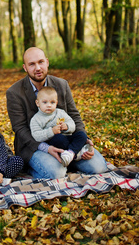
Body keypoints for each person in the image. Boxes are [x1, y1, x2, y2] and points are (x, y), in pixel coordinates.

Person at [6, 47, 108, 179]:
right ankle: (36, 167)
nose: (37, 68)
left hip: (66, 140)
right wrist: (46, 148)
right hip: (35, 146)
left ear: (47, 62)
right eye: (32, 64)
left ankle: (68, 158)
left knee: (99, 167)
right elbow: (20, 128)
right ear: (25, 68)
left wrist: (83, 140)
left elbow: (74, 115)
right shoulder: (14, 92)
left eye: (41, 62)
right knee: (56, 173)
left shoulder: (62, 84)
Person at [31, 86, 92, 167]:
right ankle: (75, 154)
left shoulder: (60, 113)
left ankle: (71, 153)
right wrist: (51, 131)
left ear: (56, 103)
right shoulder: (36, 119)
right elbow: (36, 136)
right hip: (53, 143)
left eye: (52, 102)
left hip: (68, 138)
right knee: (58, 138)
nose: (49, 105)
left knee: (82, 135)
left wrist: (67, 126)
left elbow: (72, 124)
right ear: (38, 103)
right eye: (45, 102)